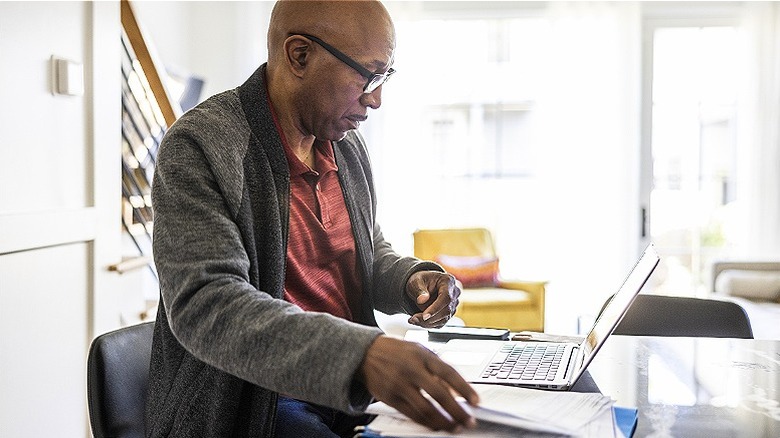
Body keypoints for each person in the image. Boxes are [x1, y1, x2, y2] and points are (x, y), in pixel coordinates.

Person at [146, 1, 480, 437]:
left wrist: (410, 279)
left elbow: (365, 249)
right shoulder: (201, 145)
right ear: (299, 54)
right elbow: (208, 304)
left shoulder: (345, 145)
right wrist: (362, 355)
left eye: (385, 77)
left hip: (348, 393)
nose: (376, 99)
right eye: (368, 76)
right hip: (253, 403)